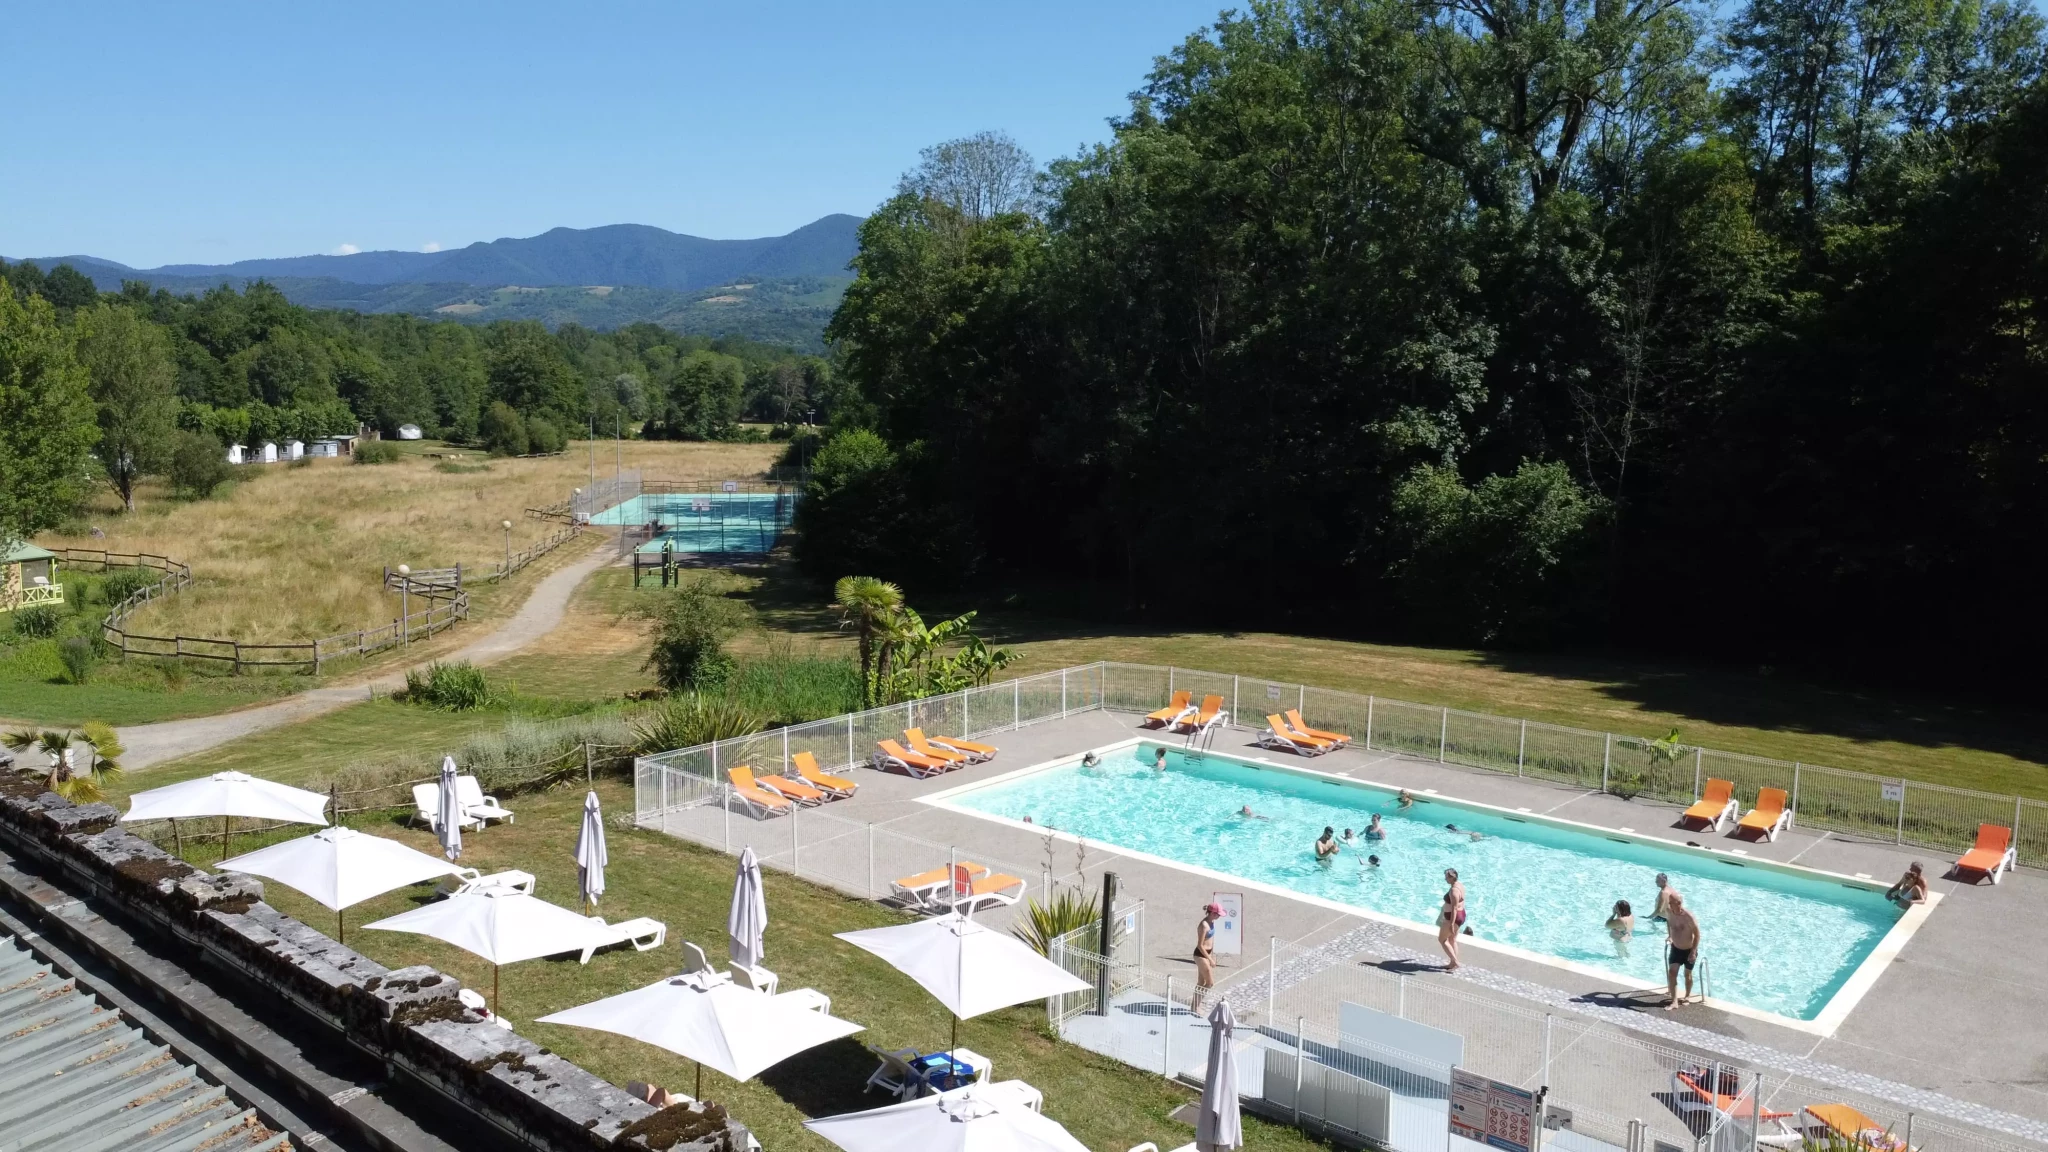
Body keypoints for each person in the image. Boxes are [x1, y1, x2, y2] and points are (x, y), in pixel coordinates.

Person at [1663, 891, 1702, 1009]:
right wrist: (1670, 936)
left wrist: (1693, 951)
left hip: (1689, 950)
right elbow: (1669, 923)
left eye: (1671, 903)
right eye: (1669, 902)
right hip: (1675, 949)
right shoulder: (1669, 912)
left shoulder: (1688, 917)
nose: (1669, 905)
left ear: (1679, 903)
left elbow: (1697, 934)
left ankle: (1687, 996)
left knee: (1687, 975)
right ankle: (1674, 1001)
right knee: (1672, 973)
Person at [1192, 902, 1222, 1011]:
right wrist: (1210, 960)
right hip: (1201, 955)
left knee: (1201, 982)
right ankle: (1196, 1006)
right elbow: (1200, 945)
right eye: (1218, 914)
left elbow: (1210, 941)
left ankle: (1194, 1006)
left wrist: (1210, 955)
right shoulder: (1204, 925)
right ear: (1213, 913)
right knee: (1210, 983)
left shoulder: (1211, 922)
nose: (1219, 916)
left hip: (1206, 954)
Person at [1438, 868, 1466, 970]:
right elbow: (1461, 902)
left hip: (1452, 918)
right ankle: (1452, 963)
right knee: (1452, 939)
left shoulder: (1454, 890)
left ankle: (1455, 962)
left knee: (1442, 939)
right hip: (1461, 915)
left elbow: (1454, 908)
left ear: (1451, 878)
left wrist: (1451, 924)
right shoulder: (1460, 885)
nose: (1445, 879)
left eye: (1446, 877)